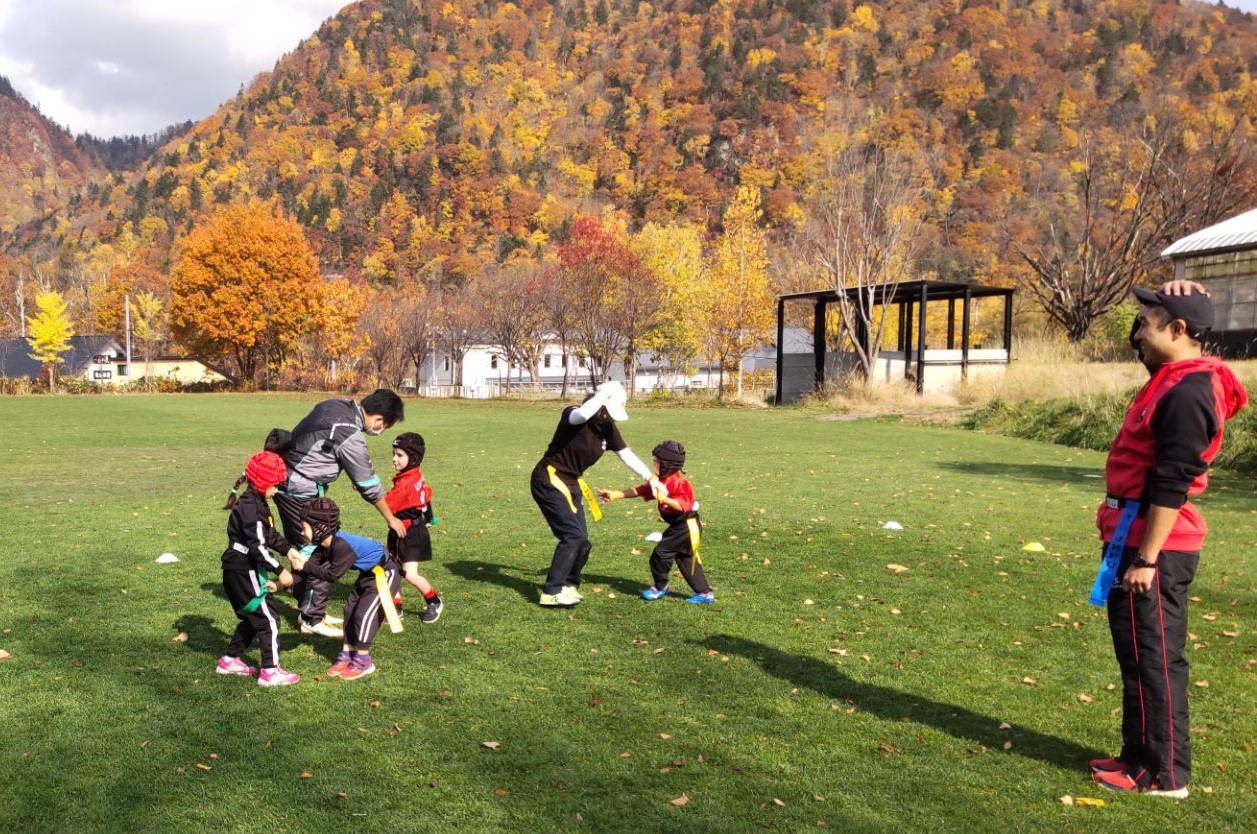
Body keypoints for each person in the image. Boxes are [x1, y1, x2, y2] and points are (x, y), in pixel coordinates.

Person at [1088, 284, 1246, 798]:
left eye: (1147, 323)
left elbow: (1173, 481)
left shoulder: (1190, 390)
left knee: (1154, 657)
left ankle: (1162, 774)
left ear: (1178, 330)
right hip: (1131, 538)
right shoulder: (1170, 378)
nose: (1137, 333)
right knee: (1137, 653)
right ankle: (1137, 755)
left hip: (1154, 548)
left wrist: (1147, 559)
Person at [272, 389, 406, 637]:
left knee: (303, 548)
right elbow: (368, 484)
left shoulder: (334, 405)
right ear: (378, 419)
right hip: (299, 489)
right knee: (318, 550)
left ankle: (309, 610)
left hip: (288, 482)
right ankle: (312, 618)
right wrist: (390, 518)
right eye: (385, 426)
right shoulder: (350, 433)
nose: (381, 430)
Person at [531, 380, 654, 607]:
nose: (611, 418)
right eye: (608, 412)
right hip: (548, 479)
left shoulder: (607, 428)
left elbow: (627, 455)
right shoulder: (573, 414)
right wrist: (601, 396)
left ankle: (569, 585)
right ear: (600, 406)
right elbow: (581, 415)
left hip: (572, 483)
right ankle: (551, 592)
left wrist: (650, 477)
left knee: (583, 542)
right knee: (572, 537)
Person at [288, 498, 402, 681]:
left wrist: (306, 565)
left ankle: (363, 660)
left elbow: (332, 575)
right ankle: (347, 655)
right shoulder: (323, 546)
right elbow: (307, 570)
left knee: (364, 614)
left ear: (320, 527)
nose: (301, 532)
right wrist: (281, 582)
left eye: (304, 527)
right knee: (349, 610)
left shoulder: (342, 546)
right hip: (368, 574)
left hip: (384, 573)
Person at [218, 451, 305, 687]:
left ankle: (229, 661)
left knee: (253, 617)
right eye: (274, 486)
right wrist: (281, 571)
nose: (276, 491)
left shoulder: (257, 503)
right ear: (262, 483)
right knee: (269, 620)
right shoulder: (252, 510)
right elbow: (258, 548)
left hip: (237, 568)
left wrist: (289, 550)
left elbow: (269, 535)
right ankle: (270, 672)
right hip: (243, 569)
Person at [599, 440, 715, 604]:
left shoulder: (679, 483)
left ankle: (661, 586)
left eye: (656, 461)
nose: (653, 464)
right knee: (685, 559)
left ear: (668, 464)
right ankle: (705, 593)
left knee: (660, 554)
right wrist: (616, 494)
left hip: (686, 526)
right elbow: (640, 490)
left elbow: (683, 506)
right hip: (680, 527)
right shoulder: (660, 480)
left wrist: (665, 498)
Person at [385, 432, 444, 624]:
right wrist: (430, 517)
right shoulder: (414, 475)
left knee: (410, 574)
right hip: (400, 530)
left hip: (411, 533)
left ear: (413, 458)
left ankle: (434, 601)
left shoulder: (407, 482)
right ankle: (396, 607)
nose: (394, 459)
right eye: (394, 454)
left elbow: (386, 504)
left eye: (399, 455)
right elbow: (426, 494)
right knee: (392, 569)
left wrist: (367, 490)